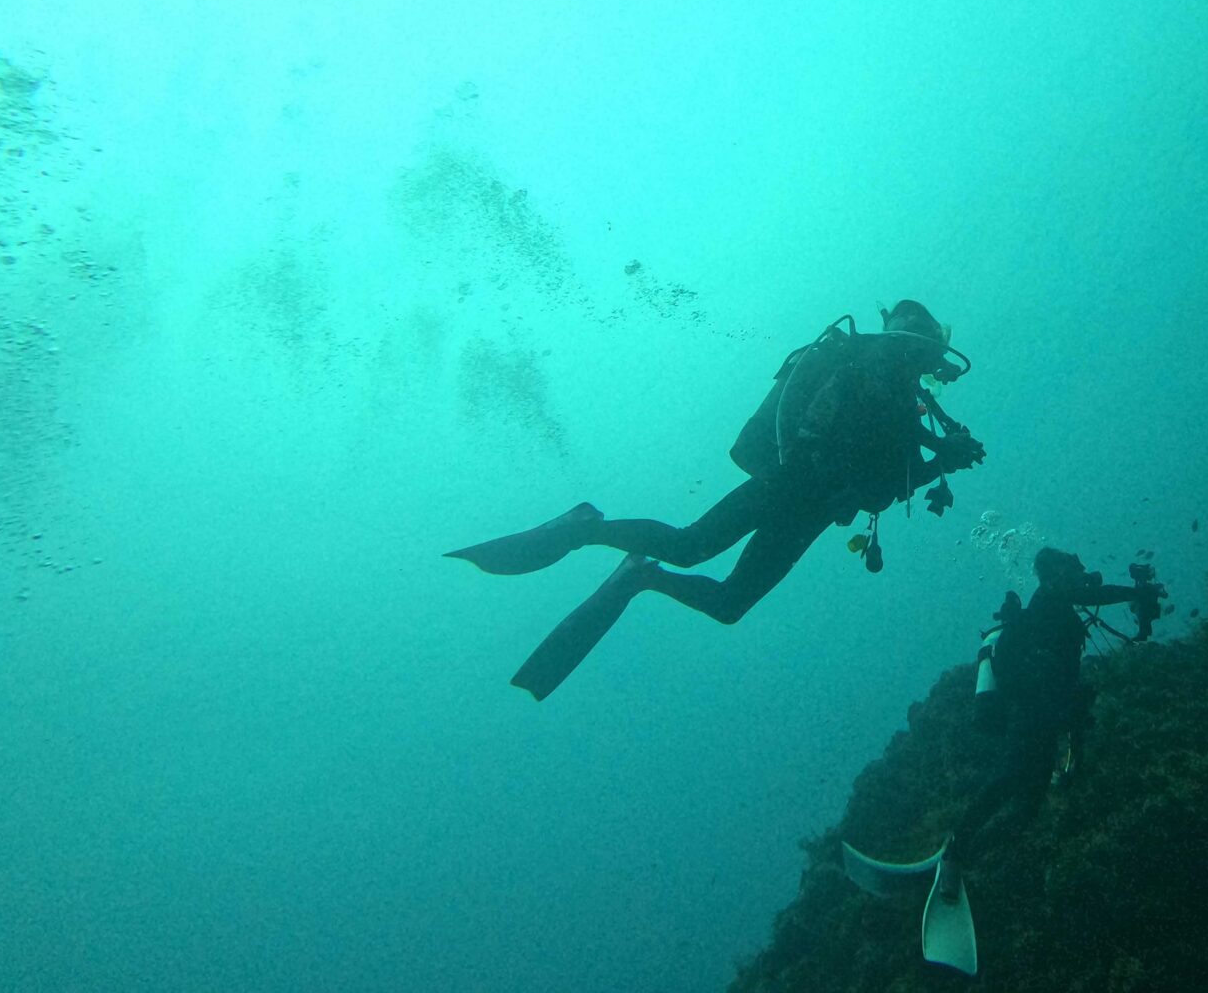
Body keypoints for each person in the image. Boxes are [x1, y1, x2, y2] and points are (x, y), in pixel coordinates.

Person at [447, 300, 985, 699]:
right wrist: (935, 453)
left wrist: (941, 459)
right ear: (919, 344)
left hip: (813, 511)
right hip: (790, 485)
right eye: (928, 352)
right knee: (690, 545)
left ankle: (639, 574)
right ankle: (586, 527)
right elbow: (850, 460)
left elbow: (885, 490)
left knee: (729, 604)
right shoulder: (868, 373)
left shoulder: (899, 398)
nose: (930, 367)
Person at [945, 548, 1162, 885]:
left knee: (1028, 806)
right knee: (1009, 778)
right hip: (1030, 708)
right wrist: (1136, 592)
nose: (1082, 571)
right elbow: (1093, 594)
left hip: (1050, 713)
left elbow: (1069, 667)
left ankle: (970, 856)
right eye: (1072, 567)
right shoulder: (1047, 600)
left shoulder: (1062, 610)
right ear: (1053, 574)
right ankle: (954, 853)